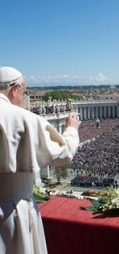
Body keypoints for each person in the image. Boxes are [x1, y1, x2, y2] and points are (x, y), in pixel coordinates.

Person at [0, 66, 81, 254]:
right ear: (14, 89)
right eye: (24, 92)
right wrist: (71, 129)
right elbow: (64, 154)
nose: (22, 98)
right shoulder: (24, 118)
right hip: (11, 213)